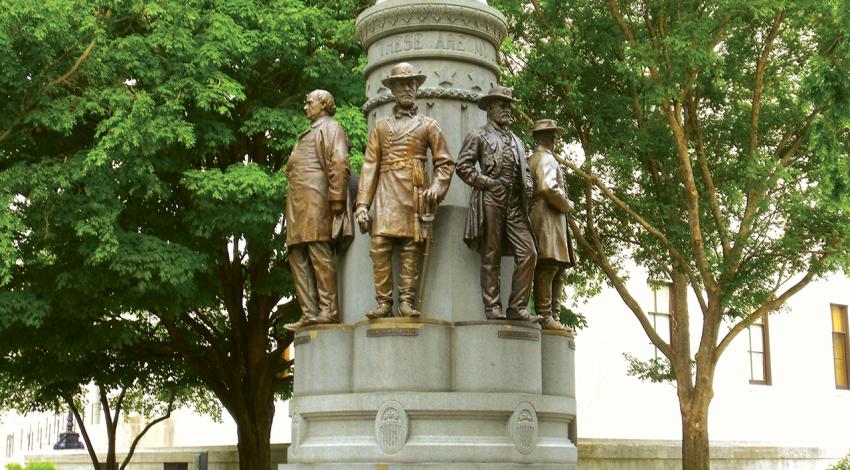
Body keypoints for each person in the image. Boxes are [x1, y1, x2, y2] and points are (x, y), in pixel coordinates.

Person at [355, 63, 455, 319]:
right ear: (393, 90)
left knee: (412, 247)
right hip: (386, 192)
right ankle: (383, 303)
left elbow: (445, 163)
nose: (407, 89)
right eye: (402, 84)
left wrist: (437, 188)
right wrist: (363, 205)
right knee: (379, 245)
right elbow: (369, 167)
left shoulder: (428, 124)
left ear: (417, 89)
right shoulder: (379, 126)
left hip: (414, 191)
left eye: (411, 84)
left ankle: (407, 301)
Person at [456, 85, 538, 321]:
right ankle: (492, 307)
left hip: (514, 202)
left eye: (509, 105)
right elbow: (462, 166)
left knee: (529, 252)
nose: (507, 110)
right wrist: (485, 182)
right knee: (491, 253)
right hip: (491, 197)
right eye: (502, 105)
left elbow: (525, 171)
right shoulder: (478, 135)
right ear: (490, 108)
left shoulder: (518, 141)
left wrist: (528, 185)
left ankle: (517, 307)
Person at [284, 90, 354, 331]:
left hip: (316, 200)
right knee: (296, 253)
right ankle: (309, 311)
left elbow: (339, 162)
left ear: (323, 104)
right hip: (297, 203)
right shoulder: (308, 133)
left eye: (309, 102)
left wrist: (336, 198)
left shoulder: (331, 128)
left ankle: (328, 310)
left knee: (318, 251)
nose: (305, 107)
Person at [528, 119, 575, 331]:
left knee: (557, 267)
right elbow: (548, 187)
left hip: (551, 217)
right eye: (552, 134)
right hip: (546, 217)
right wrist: (566, 203)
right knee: (549, 265)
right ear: (545, 137)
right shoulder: (544, 158)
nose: (555, 138)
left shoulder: (540, 158)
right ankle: (545, 315)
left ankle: (553, 314)